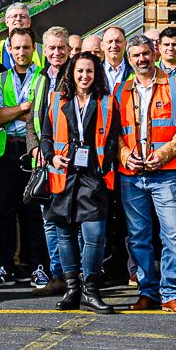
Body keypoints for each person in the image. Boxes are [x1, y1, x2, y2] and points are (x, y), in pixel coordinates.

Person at [117, 33, 176, 314]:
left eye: (146, 54)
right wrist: (128, 156)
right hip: (132, 175)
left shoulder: (175, 85)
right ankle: (147, 292)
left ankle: (171, 294)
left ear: (155, 54)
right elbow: (115, 135)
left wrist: (162, 155)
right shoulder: (121, 91)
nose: (142, 59)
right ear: (130, 59)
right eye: (136, 55)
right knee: (138, 237)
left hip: (166, 174)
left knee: (174, 235)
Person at [41, 51, 118, 314]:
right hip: (64, 175)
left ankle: (91, 291)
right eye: (80, 71)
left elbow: (113, 138)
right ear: (71, 74)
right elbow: (45, 136)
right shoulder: (56, 100)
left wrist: (102, 165)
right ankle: (73, 290)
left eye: (89, 71)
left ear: (96, 75)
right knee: (65, 235)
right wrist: (52, 158)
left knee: (94, 235)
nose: (84, 76)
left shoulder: (107, 101)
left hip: (93, 176)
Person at [0, 29, 47, 289]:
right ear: (8, 50)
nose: (21, 52)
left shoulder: (44, 79)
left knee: (33, 211)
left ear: (34, 48)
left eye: (26, 47)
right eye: (16, 48)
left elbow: (42, 111)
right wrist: (23, 109)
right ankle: (4, 266)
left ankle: (38, 267)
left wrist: (12, 113)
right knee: (5, 212)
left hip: (33, 150)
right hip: (6, 151)